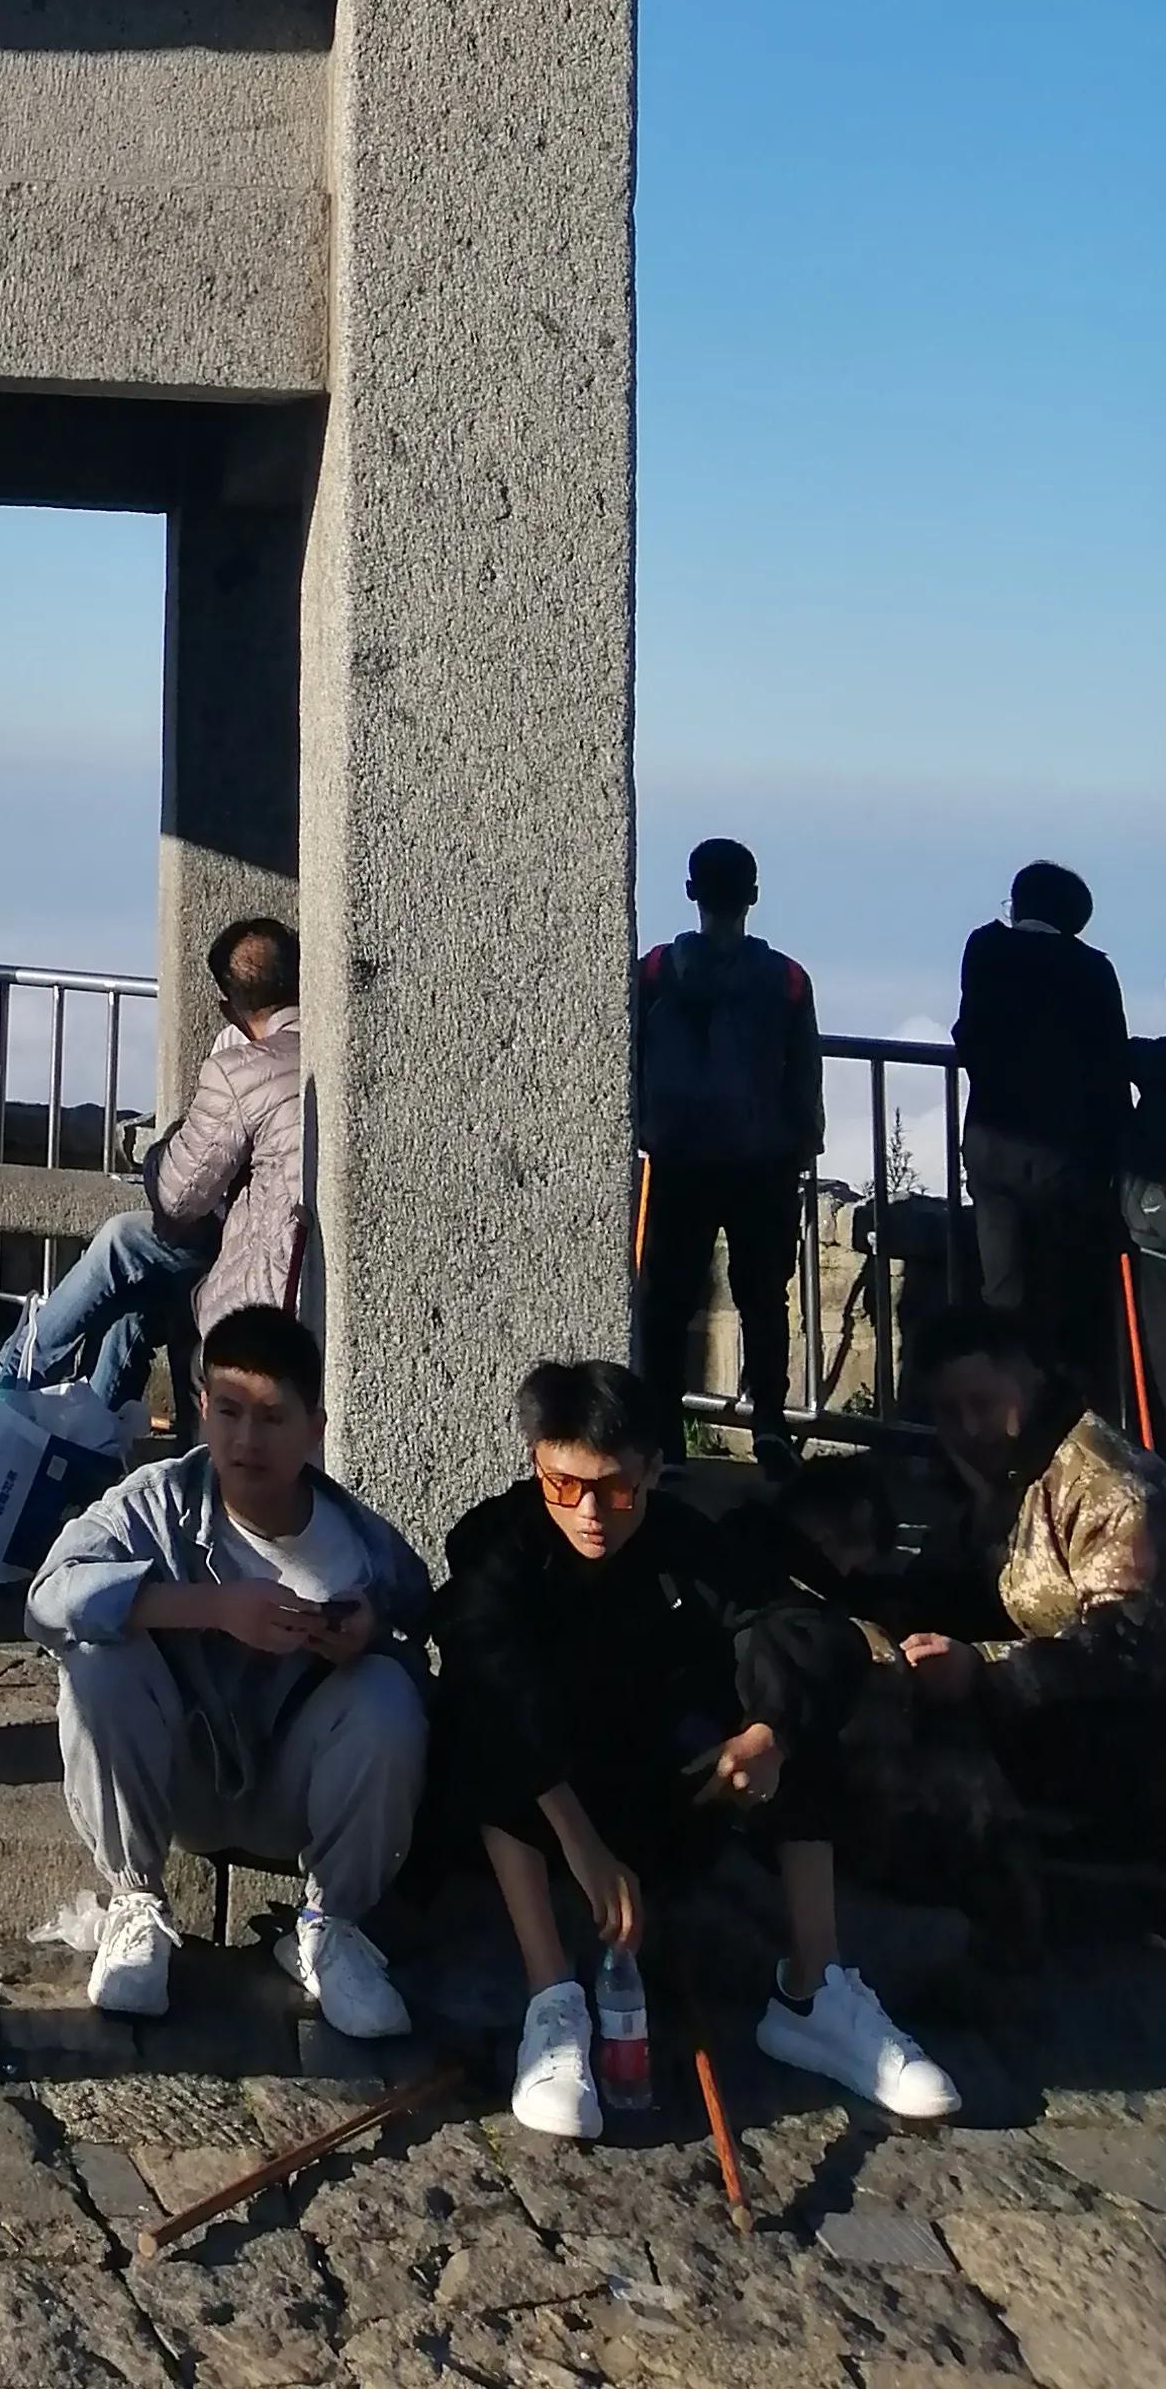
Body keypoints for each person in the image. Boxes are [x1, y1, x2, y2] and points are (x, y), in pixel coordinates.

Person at [431, 1354, 957, 2144]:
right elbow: (483, 1664)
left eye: (612, 1489)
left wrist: (767, 1732)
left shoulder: (690, 1541)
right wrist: (582, 1847)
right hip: (545, 1806)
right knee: (481, 1710)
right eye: (562, 1485)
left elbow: (808, 1628)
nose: (587, 1513)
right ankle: (553, 2004)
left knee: (795, 1698)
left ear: (649, 1469)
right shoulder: (503, 1544)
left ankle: (814, 1992)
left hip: (668, 1791)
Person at [24, 1302, 429, 2045]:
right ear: (202, 1408)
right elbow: (49, 1600)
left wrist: (370, 1635)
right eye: (231, 1411)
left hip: (295, 1792)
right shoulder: (156, 1504)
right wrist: (208, 1607)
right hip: (178, 1780)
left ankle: (328, 1926)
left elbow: (422, 1620)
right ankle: (136, 1905)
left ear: (316, 1428)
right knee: (95, 1655)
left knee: (387, 1694)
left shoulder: (365, 1545)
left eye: (274, 1418)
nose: (248, 1440)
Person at [0, 913, 301, 1436]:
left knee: (124, 1241)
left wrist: (160, 1150)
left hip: (262, 1266)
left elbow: (179, 1194)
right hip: (277, 1249)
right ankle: (79, 1453)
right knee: (135, 1302)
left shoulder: (243, 1064)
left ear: (228, 1003)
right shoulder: (327, 1048)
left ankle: (8, 1378)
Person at [880, 1304, 1166, 1842]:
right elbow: (942, 1582)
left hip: (1129, 1744)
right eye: (947, 1411)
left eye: (983, 1404)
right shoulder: (1000, 1469)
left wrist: (983, 1670)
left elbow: (1129, 1649)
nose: (968, 1427)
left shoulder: (1110, 1486)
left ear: (1029, 1378)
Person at [631, 838, 821, 1468]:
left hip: (678, 1157)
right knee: (764, 1295)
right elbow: (805, 1078)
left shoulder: (655, 970)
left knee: (666, 1297)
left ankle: (664, 1430)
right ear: (753, 897)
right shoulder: (788, 980)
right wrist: (801, 1144)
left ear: (691, 892)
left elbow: (626, 1054)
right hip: (762, 1161)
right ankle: (768, 1420)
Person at [956, 864, 1131, 1416]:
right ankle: (1055, 1425)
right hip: (1064, 1159)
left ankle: (994, 1420)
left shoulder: (984, 950)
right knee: (1063, 1302)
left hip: (991, 1145)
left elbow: (969, 1034)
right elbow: (1110, 1067)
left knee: (1001, 1294)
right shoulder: (1091, 971)